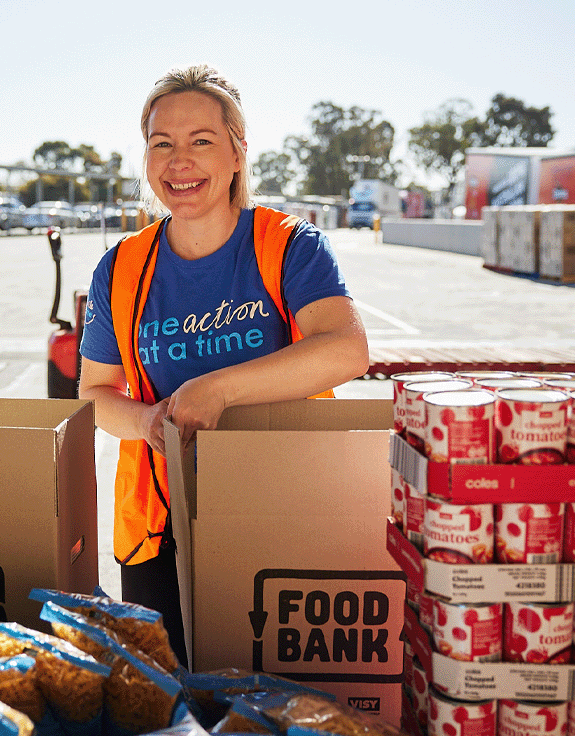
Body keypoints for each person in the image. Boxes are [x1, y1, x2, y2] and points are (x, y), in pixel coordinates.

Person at [78, 64, 369, 667]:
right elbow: (97, 393)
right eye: (162, 144)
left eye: (201, 141)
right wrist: (149, 421)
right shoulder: (121, 268)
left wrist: (217, 390)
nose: (179, 161)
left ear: (238, 152)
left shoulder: (289, 245)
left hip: (285, 509)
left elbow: (345, 349)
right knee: (174, 703)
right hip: (162, 525)